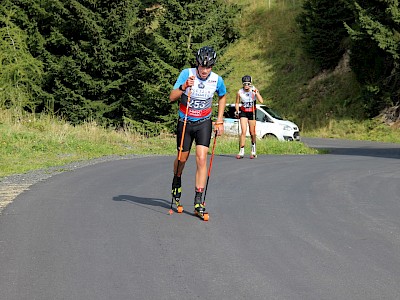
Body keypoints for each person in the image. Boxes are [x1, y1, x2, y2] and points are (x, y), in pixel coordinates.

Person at [170, 46, 226, 214]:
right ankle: (177, 179)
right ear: (197, 63)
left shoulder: (217, 80)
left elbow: (222, 96)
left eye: (208, 67)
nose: (204, 70)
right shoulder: (186, 74)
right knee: (182, 158)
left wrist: (220, 120)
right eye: (202, 66)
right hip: (185, 121)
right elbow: (171, 97)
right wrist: (183, 87)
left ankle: (198, 200)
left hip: (204, 122)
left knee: (202, 159)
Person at [235, 75, 264, 159]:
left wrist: (256, 92)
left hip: (252, 112)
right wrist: (237, 111)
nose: (246, 86)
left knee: (252, 132)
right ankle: (241, 151)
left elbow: (261, 101)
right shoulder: (240, 92)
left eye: (248, 84)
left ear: (251, 83)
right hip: (243, 112)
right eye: (244, 84)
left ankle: (253, 149)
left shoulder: (253, 90)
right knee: (243, 131)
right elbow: (237, 103)